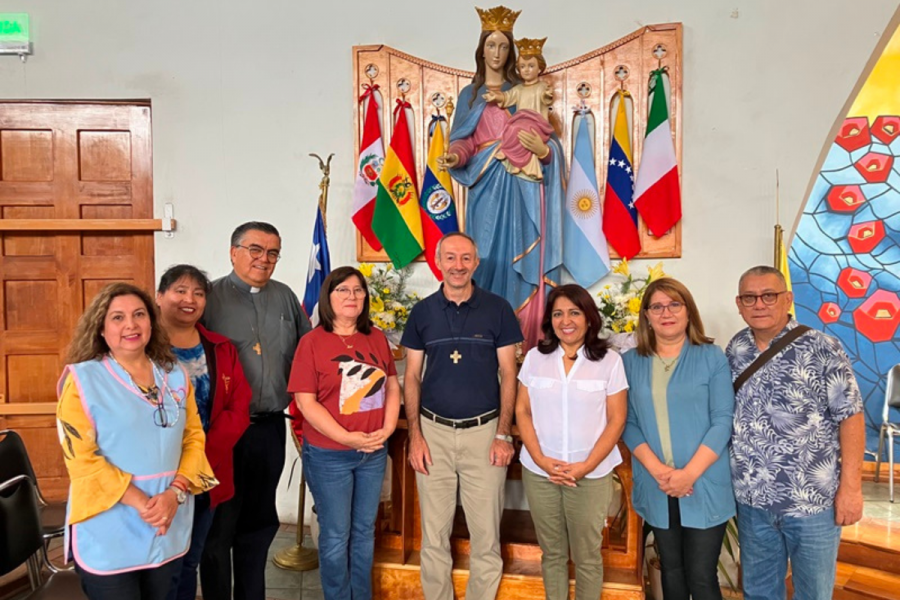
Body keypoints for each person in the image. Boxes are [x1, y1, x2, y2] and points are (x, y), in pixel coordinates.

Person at [56, 282, 217, 600]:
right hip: (110, 524)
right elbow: (82, 460)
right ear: (101, 328)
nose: (130, 324)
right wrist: (145, 504)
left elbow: (194, 438)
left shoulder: (174, 375)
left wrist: (175, 493)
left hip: (167, 519)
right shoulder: (83, 380)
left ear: (151, 322)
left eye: (139, 314)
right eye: (117, 317)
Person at [727, 266, 864, 600]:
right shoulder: (735, 349)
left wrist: (851, 488)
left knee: (813, 593)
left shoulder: (821, 347)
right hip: (753, 501)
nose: (759, 304)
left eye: (769, 295)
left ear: (787, 299)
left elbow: (851, 417)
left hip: (812, 502)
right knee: (759, 592)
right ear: (739, 304)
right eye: (750, 297)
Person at [402, 232, 523, 600]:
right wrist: (415, 436)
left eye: (466, 258)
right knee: (434, 536)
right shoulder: (422, 312)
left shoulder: (498, 309)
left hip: (484, 433)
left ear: (476, 263)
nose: (458, 265)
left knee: (486, 537)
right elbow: (410, 376)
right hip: (433, 435)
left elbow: (508, 374)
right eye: (451, 258)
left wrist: (503, 434)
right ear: (438, 262)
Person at [438, 6, 566, 347]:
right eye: (491, 45)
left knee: (521, 257)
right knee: (483, 256)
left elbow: (550, 144)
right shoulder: (470, 94)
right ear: (481, 49)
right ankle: (483, 335)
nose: (497, 53)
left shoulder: (524, 90)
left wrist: (542, 151)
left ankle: (525, 337)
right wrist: (455, 155)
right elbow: (462, 140)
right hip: (485, 186)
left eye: (504, 46)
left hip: (522, 184)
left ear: (512, 51)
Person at [200, 222, 311, 600]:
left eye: (273, 253)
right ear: (233, 252)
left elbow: (306, 355)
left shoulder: (284, 298)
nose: (264, 259)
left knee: (260, 523)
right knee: (219, 527)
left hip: (268, 429)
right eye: (255, 249)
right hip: (221, 433)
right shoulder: (208, 299)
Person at [287, 266, 400, 600]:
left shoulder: (376, 337)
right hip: (329, 456)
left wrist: (389, 428)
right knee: (336, 535)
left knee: (364, 531)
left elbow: (392, 384)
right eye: (343, 290)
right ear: (328, 297)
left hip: (373, 452)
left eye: (358, 290)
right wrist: (346, 438)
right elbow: (306, 403)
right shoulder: (311, 343)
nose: (352, 296)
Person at [622, 278, 735, 600]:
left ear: (688, 311)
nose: (666, 312)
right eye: (656, 306)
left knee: (701, 575)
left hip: (703, 480)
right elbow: (628, 422)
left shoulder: (712, 357)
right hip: (658, 483)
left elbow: (722, 421)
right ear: (646, 315)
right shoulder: (630, 362)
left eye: (674, 304)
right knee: (670, 569)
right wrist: (660, 471)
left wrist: (688, 474)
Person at [515, 284, 627, 600]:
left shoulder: (609, 361)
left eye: (575, 312)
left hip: (589, 475)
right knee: (551, 553)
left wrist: (585, 466)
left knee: (587, 557)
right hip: (540, 472)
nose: (567, 320)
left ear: (589, 318)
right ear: (550, 321)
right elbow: (522, 410)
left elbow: (617, 419)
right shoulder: (536, 357)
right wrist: (539, 458)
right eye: (558, 313)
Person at [156, 265, 252, 600]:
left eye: (198, 293)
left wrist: (201, 454)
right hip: (155, 475)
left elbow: (239, 406)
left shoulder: (220, 347)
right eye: (180, 291)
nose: (190, 299)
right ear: (160, 296)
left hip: (205, 471)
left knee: (190, 558)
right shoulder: (138, 347)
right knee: (158, 564)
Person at [483, 36, 555, 181]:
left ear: (540, 68)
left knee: (518, 130)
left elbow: (546, 97)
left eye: (531, 66)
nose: (526, 70)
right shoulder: (519, 89)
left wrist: (547, 94)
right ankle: (512, 158)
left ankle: (513, 157)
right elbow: (507, 97)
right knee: (510, 129)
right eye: (522, 67)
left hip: (536, 123)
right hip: (521, 120)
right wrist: (495, 97)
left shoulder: (541, 87)